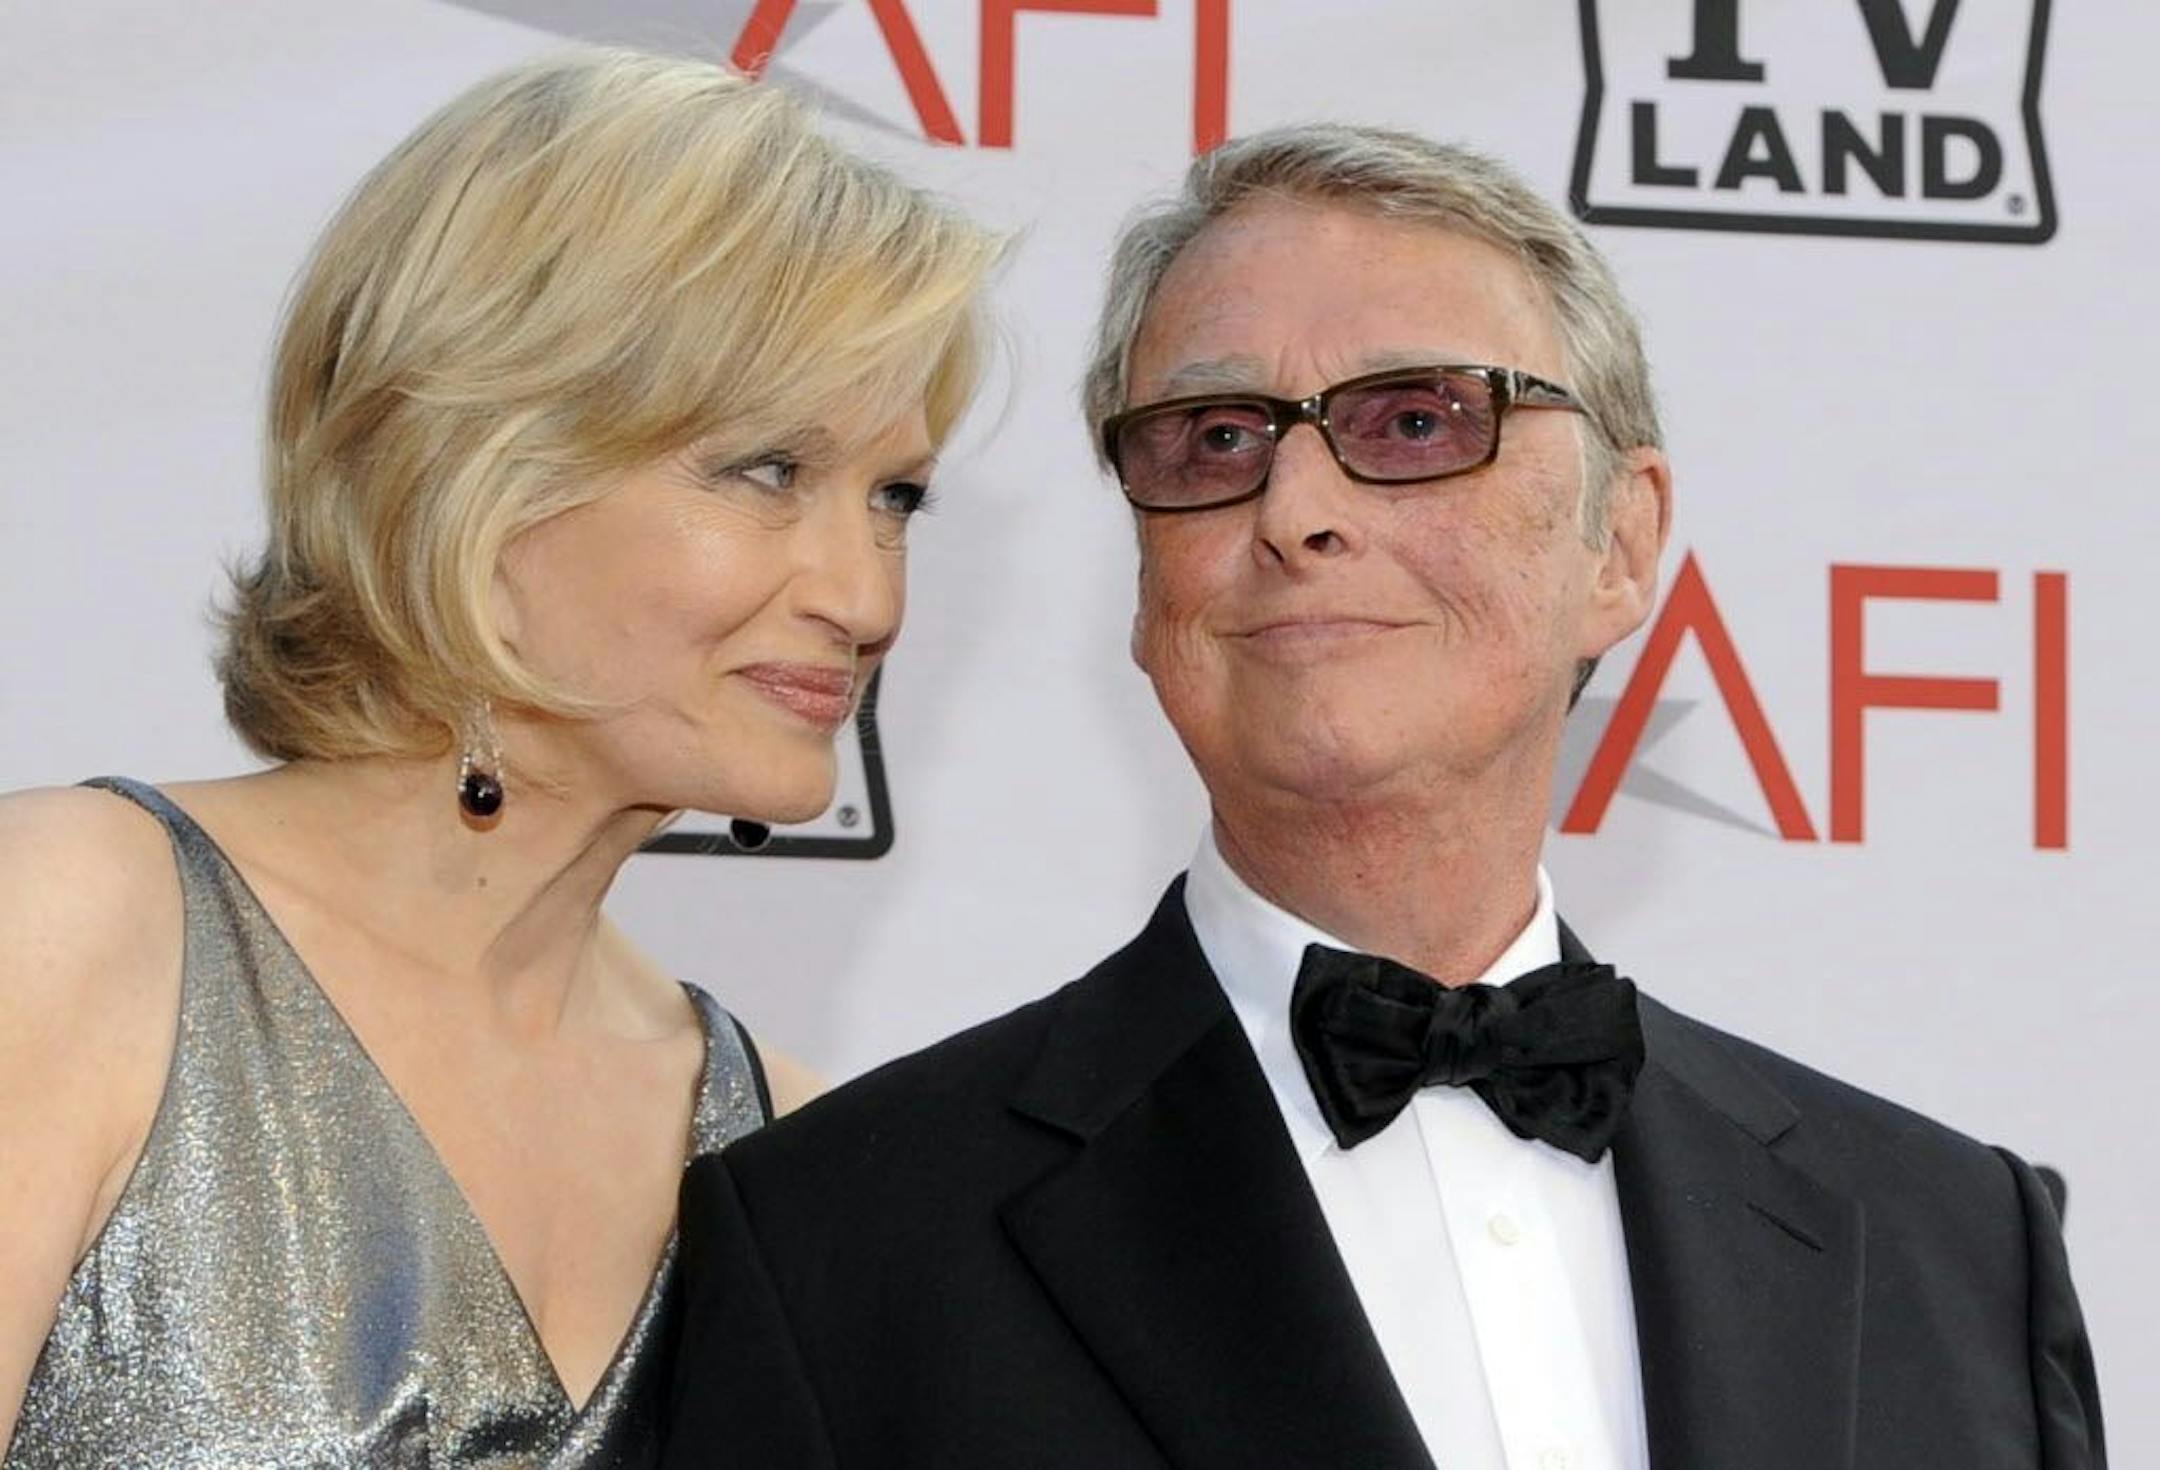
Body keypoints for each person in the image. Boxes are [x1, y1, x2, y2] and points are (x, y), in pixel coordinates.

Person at [664, 124, 2106, 1469]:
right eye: (1215, 439)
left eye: (1418, 419)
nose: (1295, 509)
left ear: (1621, 540)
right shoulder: (840, 1244)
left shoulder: (1958, 1246)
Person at [0, 48, 997, 1467]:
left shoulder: (777, 1136)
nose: (867, 591)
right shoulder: (70, 932)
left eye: (894, 495)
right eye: (768, 470)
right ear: (479, 461)